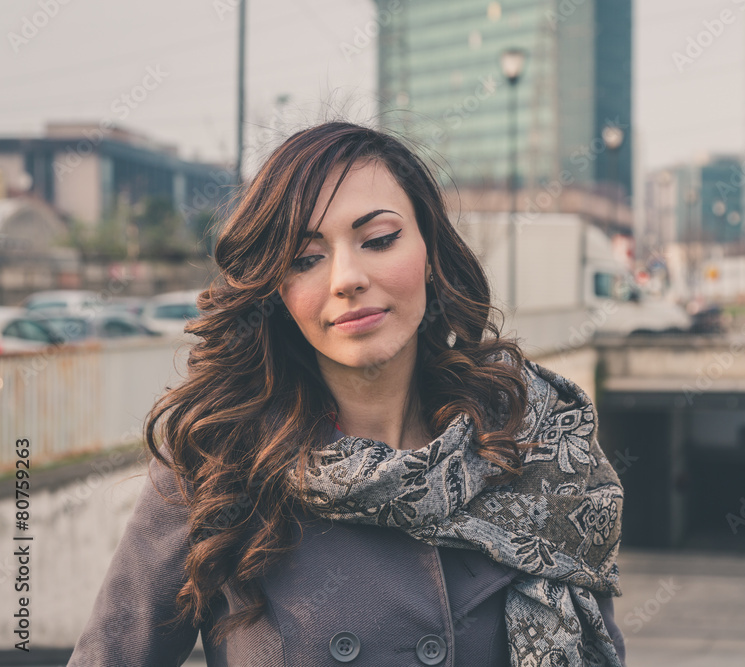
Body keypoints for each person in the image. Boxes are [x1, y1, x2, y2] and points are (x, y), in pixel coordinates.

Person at [67, 121, 627, 667]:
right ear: (275, 288)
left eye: (379, 240)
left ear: (430, 250)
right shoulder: (217, 459)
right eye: (306, 259)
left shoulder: (538, 443)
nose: (345, 278)